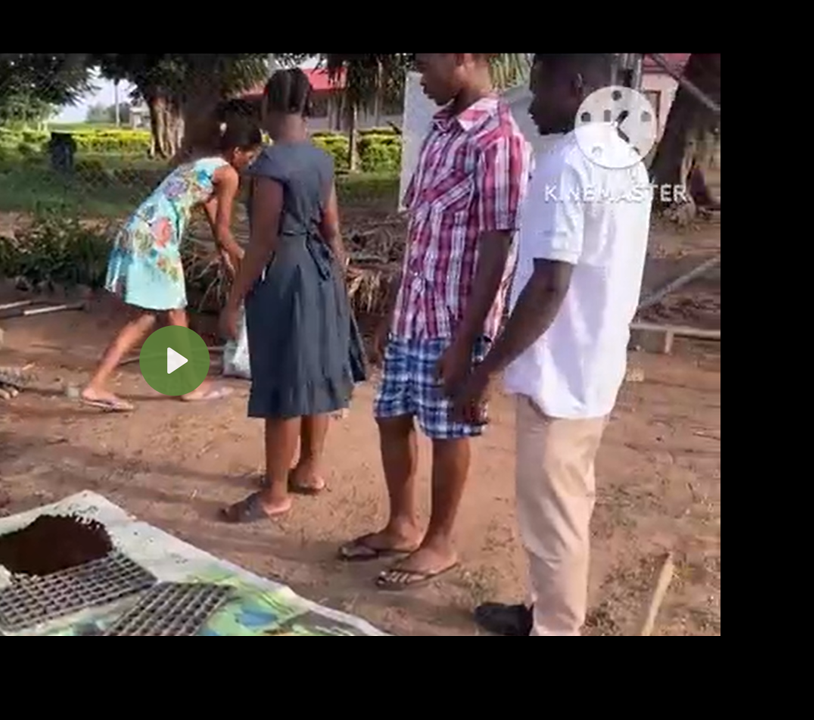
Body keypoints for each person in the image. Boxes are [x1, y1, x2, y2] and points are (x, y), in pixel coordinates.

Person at [456, 54, 652, 636]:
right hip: (593, 364)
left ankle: (555, 627)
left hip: (561, 376)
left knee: (555, 519)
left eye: (539, 87)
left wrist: (486, 370)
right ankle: (546, 609)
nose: (532, 102)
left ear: (576, 86)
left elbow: (548, 284)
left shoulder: (566, 163)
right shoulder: (627, 160)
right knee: (567, 504)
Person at [339, 54, 530, 590]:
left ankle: (439, 543)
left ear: (465, 59)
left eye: (427, 64)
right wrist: (392, 308)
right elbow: (422, 233)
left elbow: (499, 247)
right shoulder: (442, 132)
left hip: (454, 320)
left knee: (448, 431)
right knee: (391, 417)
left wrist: (467, 340)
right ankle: (401, 526)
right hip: (413, 313)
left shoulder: (499, 142)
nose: (420, 78)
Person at [219, 68, 365, 523]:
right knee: (315, 373)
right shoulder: (321, 161)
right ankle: (308, 470)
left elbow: (262, 241)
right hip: (321, 273)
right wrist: (337, 278)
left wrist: (233, 300)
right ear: (308, 108)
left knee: (284, 379)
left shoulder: (269, 166)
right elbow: (333, 229)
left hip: (286, 273)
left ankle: (275, 493)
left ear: (266, 108)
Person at [79, 108, 263, 412]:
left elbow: (219, 234)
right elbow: (225, 233)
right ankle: (102, 385)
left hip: (139, 232)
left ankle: (173, 383)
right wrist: (249, 261)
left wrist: (232, 267)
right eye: (251, 156)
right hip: (156, 242)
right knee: (157, 316)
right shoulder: (228, 175)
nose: (251, 163)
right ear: (237, 151)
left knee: (165, 315)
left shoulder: (202, 167)